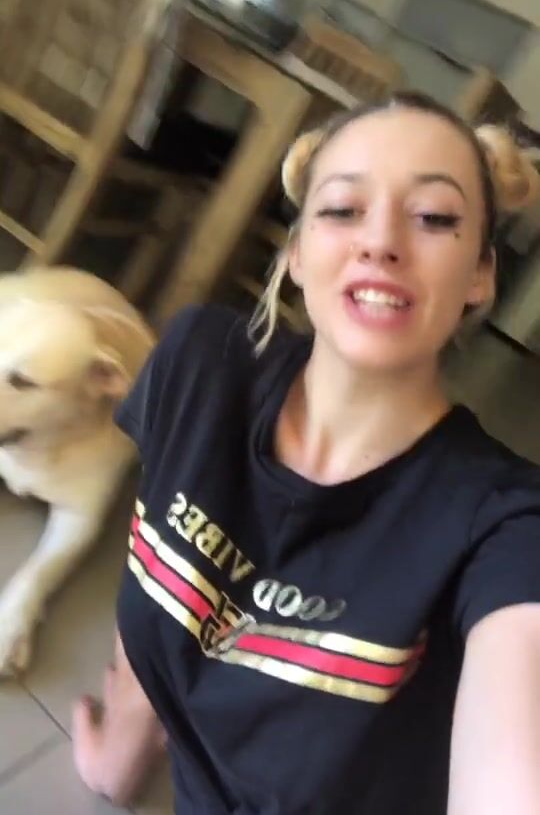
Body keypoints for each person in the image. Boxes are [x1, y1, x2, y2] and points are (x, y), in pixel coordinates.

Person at [72, 91, 540, 814]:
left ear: (481, 274)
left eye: (433, 218)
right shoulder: (202, 365)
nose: (380, 242)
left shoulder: (504, 525)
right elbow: (166, 572)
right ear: (295, 253)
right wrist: (121, 747)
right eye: (343, 209)